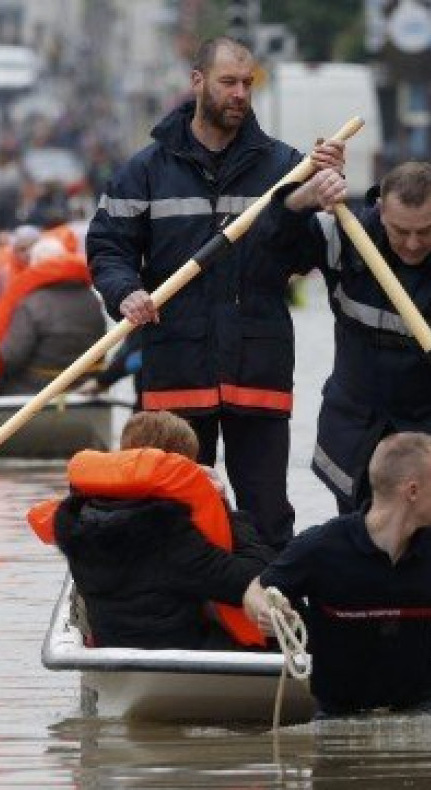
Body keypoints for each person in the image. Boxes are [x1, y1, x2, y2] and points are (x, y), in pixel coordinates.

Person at [257, 160, 431, 661]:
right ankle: (365, 661)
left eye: (425, 230)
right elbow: (271, 246)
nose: (411, 244)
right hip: (358, 426)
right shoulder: (348, 234)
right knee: (362, 547)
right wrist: (302, 197)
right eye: (400, 231)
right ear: (381, 210)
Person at [86, 35, 345, 551]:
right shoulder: (144, 171)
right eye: (229, 82)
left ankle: (269, 614)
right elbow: (108, 247)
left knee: (268, 513)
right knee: (172, 509)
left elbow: (302, 258)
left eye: (248, 83)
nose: (240, 94)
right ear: (198, 82)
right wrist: (126, 293)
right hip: (174, 367)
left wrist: (309, 201)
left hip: (258, 369)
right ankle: (178, 616)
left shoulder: (286, 168)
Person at [243, 433, 431, 717]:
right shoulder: (322, 546)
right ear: (412, 491)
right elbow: (255, 590)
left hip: (420, 708)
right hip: (339, 714)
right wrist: (264, 610)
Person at [34, 410, 276, 650]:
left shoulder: (74, 521)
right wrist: (225, 509)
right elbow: (255, 578)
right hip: (179, 649)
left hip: (110, 645)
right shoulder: (170, 532)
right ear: (181, 468)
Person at [0, 238, 105, 394]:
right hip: (86, 384)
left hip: (38, 389)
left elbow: (12, 357)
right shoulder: (92, 299)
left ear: (35, 266)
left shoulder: (32, 304)